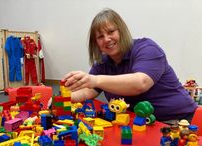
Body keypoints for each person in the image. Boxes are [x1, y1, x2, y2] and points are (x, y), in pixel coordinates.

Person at [63, 8, 198, 123]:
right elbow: (89, 90)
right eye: (100, 37)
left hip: (177, 121)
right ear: (96, 43)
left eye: (111, 32)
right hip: (139, 123)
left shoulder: (147, 48)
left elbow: (140, 83)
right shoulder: (103, 62)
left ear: (121, 31)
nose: (106, 39)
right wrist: (63, 98)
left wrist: (95, 79)